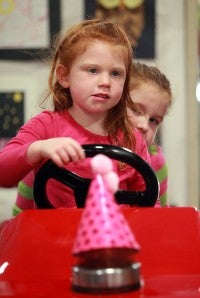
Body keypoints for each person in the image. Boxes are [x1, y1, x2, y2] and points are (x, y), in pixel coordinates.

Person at [0, 19, 152, 211]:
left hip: (112, 238)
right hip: (53, 237)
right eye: (93, 70)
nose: (105, 81)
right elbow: (3, 174)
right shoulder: (46, 126)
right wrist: (37, 149)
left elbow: (149, 203)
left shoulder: (132, 139)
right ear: (64, 76)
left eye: (116, 74)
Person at [127, 61, 172, 207]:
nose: (144, 125)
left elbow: (159, 218)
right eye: (136, 110)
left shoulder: (156, 162)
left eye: (154, 120)